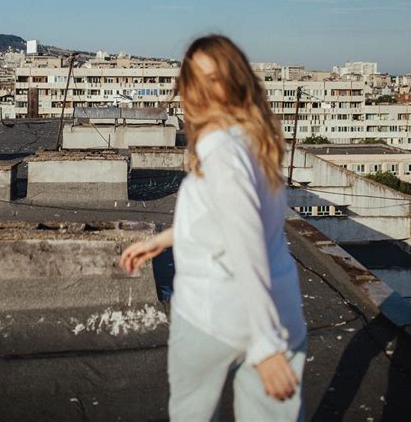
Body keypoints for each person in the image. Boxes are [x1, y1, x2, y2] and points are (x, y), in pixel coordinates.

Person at [119, 34, 307, 421]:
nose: (202, 91)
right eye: (194, 80)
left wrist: (266, 345)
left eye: (213, 78)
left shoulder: (221, 152)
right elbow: (227, 219)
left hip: (217, 316)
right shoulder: (257, 144)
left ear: (236, 82)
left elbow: (244, 240)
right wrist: (166, 239)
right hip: (277, 311)